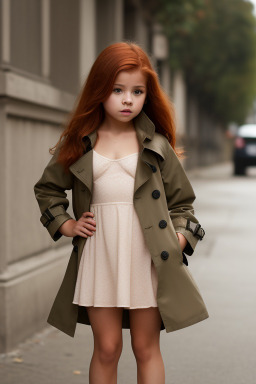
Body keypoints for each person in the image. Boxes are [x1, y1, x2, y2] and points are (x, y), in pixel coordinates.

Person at [34, 41, 208, 384]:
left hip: (148, 256)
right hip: (100, 254)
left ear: (147, 95)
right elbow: (48, 189)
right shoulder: (79, 141)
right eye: (117, 89)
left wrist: (179, 237)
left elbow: (183, 203)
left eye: (137, 91)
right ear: (100, 89)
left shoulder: (156, 146)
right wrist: (67, 224)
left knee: (145, 348)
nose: (127, 99)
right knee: (107, 348)